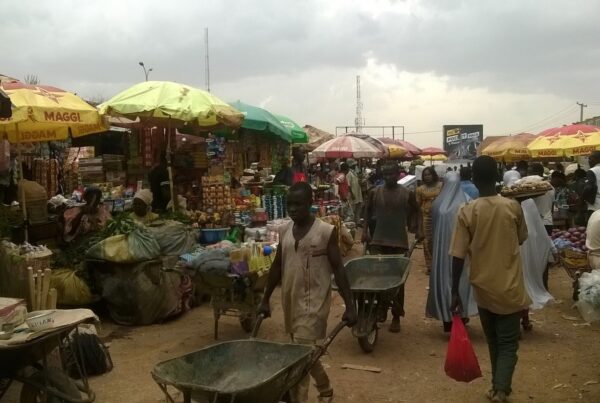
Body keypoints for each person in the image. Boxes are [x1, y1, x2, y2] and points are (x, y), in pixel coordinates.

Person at [258, 182, 357, 403]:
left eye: (298, 204)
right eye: (289, 204)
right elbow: (277, 266)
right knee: (304, 351)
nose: (293, 209)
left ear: (310, 203)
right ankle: (325, 388)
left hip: (314, 303)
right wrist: (265, 299)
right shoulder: (285, 230)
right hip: (291, 301)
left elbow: (338, 268)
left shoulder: (325, 232)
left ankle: (297, 398)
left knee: (300, 357)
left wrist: (350, 305)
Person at [450, 156, 531, 403]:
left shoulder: (467, 211)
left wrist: (454, 291)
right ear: (497, 176)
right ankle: (501, 389)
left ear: (473, 179)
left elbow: (457, 255)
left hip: (482, 287)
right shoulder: (512, 207)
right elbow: (521, 238)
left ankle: (497, 387)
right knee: (508, 343)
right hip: (510, 286)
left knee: (494, 341)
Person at [362, 162, 418, 332]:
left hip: (399, 241)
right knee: (377, 277)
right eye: (385, 175)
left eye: (391, 174)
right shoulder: (375, 192)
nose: (388, 177)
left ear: (398, 174)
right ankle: (380, 308)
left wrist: (418, 228)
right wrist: (365, 231)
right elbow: (366, 211)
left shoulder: (407, 194)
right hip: (378, 240)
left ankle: (396, 315)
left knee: (397, 280)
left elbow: (417, 210)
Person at [426, 172, 477, 332]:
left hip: (442, 252)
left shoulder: (437, 204)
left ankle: (446, 317)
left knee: (444, 281)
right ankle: (462, 314)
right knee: (461, 280)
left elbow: (432, 228)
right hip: (462, 251)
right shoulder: (467, 202)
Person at [519, 199, 556, 331]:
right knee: (525, 286)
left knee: (519, 287)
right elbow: (541, 234)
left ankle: (521, 319)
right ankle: (524, 319)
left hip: (516, 259)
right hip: (526, 260)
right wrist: (552, 249)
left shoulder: (512, 207)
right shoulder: (529, 205)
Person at [416, 166, 443, 274]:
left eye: (429, 174)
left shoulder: (441, 186)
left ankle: (439, 264)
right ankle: (430, 266)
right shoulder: (420, 189)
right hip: (426, 217)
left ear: (433, 175)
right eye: (425, 175)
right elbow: (417, 206)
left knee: (439, 240)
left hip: (439, 216)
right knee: (427, 241)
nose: (427, 177)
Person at [529, 163, 555, 234]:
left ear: (536, 173)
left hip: (535, 224)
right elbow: (552, 208)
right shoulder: (551, 187)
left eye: (530, 172)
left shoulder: (532, 188)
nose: (528, 175)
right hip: (548, 222)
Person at [583, 151, 600, 222]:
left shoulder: (592, 171)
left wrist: (582, 200)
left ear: (597, 159)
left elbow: (589, 187)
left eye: (590, 158)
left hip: (595, 207)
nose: (588, 161)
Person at [346, 160, 363, 224]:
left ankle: (357, 222)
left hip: (358, 193)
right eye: (354, 165)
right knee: (352, 210)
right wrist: (352, 194)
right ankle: (352, 223)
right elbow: (348, 185)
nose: (355, 166)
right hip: (353, 194)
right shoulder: (349, 173)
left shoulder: (355, 172)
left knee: (358, 209)